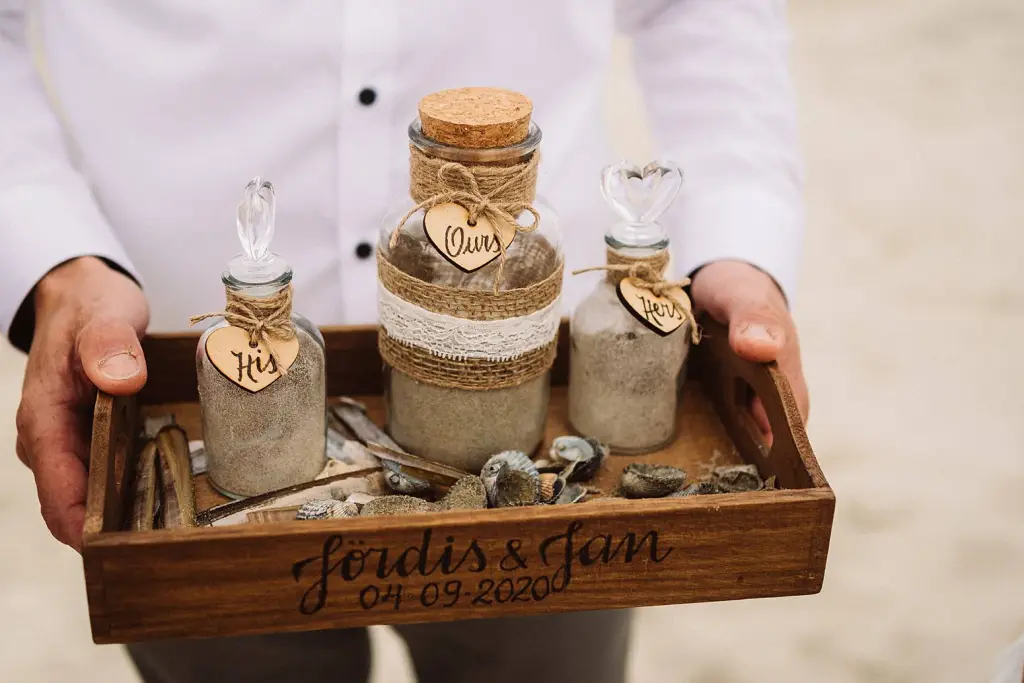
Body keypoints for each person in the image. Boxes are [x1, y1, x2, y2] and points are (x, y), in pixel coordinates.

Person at [3, 2, 810, 682]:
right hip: (176, 370)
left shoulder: (544, 239)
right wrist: (55, 262)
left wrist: (740, 237)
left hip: (545, 490)